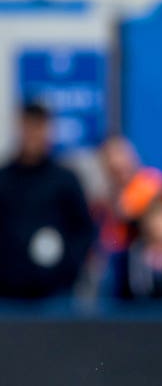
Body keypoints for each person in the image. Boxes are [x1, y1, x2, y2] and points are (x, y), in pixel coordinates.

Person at [0, 101, 95, 301]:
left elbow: (84, 230)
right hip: (7, 295)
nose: (33, 135)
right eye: (28, 127)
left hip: (56, 295)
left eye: (39, 127)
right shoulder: (4, 179)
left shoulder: (65, 179)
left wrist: (67, 268)